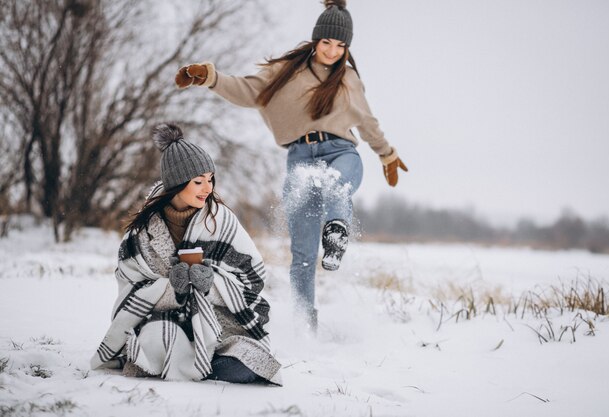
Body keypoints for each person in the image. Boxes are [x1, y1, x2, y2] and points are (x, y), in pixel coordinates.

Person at [174, 0, 407, 333]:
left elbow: (367, 121)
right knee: (302, 256)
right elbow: (246, 89)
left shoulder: (349, 78)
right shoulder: (285, 73)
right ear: (316, 40)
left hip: (341, 151)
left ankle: (337, 232)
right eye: (327, 42)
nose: (332, 51)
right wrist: (210, 78)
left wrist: (386, 154)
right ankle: (304, 328)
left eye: (341, 45)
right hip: (300, 158)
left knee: (336, 184)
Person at [90, 123, 282, 384]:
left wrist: (211, 284)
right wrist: (172, 290)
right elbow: (129, 288)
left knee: (247, 366)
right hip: (163, 319)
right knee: (157, 341)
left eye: (211, 179)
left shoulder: (221, 221)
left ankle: (201, 361)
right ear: (177, 184)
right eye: (198, 181)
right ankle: (190, 361)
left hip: (219, 320)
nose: (208, 188)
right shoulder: (141, 233)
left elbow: (254, 279)